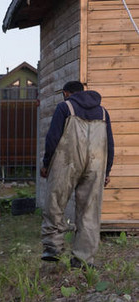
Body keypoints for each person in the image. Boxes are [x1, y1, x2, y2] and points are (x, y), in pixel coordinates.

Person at [39, 80, 114, 269]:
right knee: (90, 210)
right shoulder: (103, 112)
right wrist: (107, 171)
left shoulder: (65, 107)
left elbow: (53, 138)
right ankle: (83, 259)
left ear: (66, 93)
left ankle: (53, 247)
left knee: (55, 200)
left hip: (68, 160)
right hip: (96, 163)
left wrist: (47, 163)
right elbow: (110, 144)